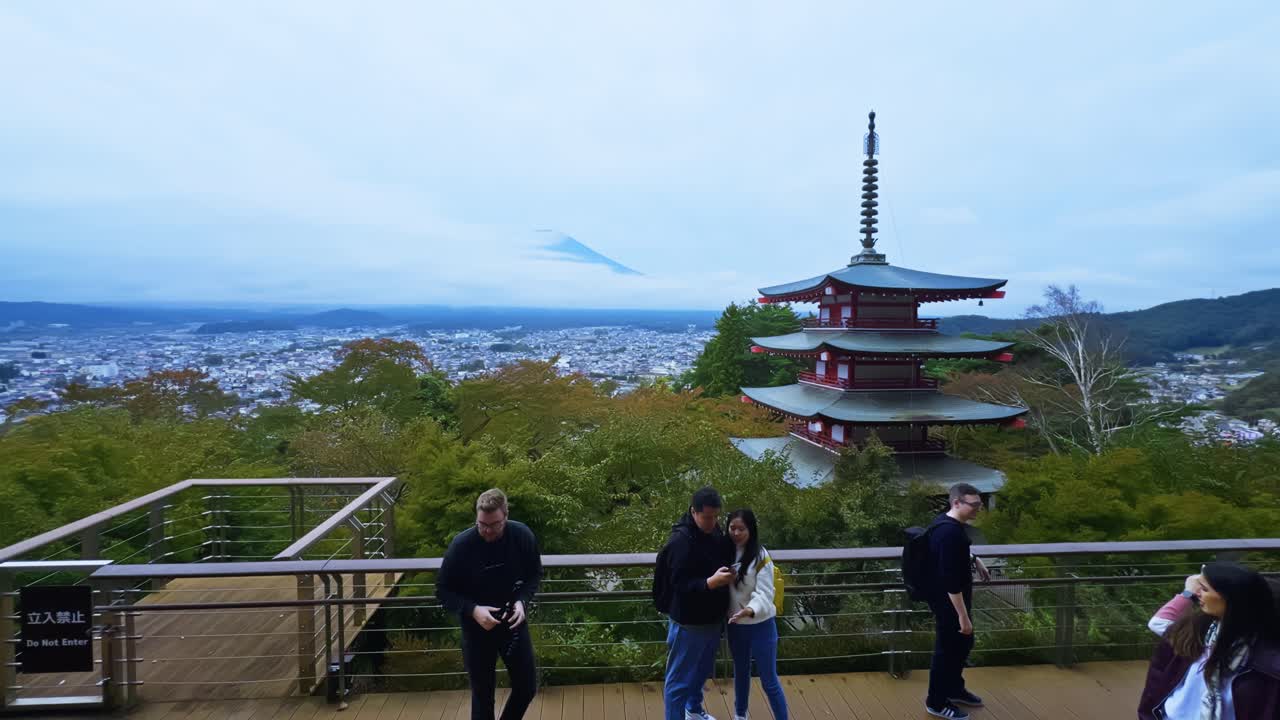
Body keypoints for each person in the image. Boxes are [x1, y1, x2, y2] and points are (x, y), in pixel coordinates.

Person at [436, 488, 542, 720]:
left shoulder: (522, 536)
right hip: (476, 629)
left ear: (506, 515)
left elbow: (534, 576)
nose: (486, 530)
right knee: (483, 696)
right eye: (481, 524)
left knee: (526, 688)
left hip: (513, 624)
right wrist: (473, 610)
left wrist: (522, 603)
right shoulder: (462, 545)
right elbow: (443, 591)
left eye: (493, 525)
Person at [1139, 562, 1280, 719]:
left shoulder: (1267, 658)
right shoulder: (1192, 632)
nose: (1196, 593)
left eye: (1204, 589)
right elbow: (1156, 683)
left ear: (1232, 598)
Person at [663, 486, 736, 720]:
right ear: (693, 512)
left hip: (713, 619)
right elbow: (678, 584)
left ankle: (693, 710)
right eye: (706, 517)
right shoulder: (680, 541)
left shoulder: (713, 532)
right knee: (678, 681)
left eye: (716, 517)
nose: (712, 522)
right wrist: (709, 583)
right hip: (689, 622)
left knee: (701, 671)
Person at [924, 483, 990, 720]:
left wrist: (974, 558)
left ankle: (954, 689)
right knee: (947, 652)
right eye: (974, 505)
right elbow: (951, 581)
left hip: (951, 601)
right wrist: (962, 616)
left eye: (979, 504)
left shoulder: (946, 522)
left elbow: (953, 553)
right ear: (957, 503)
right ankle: (936, 702)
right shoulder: (949, 533)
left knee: (962, 645)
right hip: (949, 604)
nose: (978, 509)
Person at [725, 509, 789, 720]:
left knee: (768, 679)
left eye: (741, 529)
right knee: (741, 673)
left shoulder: (761, 555)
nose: (736, 533)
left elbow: (765, 592)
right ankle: (740, 714)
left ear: (751, 529)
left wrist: (750, 610)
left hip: (761, 624)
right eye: (732, 528)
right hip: (736, 626)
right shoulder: (723, 551)